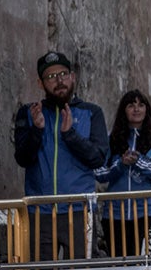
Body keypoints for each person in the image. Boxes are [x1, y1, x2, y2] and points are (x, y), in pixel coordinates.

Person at [12, 51, 108, 259]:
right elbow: (22, 158)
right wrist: (36, 130)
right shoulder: (29, 113)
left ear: (72, 77)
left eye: (63, 74)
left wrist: (70, 134)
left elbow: (98, 157)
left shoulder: (92, 112)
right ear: (41, 83)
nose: (59, 81)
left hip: (79, 212)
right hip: (39, 212)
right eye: (51, 77)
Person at [97, 89, 151, 254]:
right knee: (120, 267)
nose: (136, 109)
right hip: (115, 215)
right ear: (124, 110)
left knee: (147, 269)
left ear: (147, 109)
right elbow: (99, 173)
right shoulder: (112, 138)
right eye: (131, 105)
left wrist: (139, 163)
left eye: (141, 105)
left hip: (148, 214)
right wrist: (121, 165)